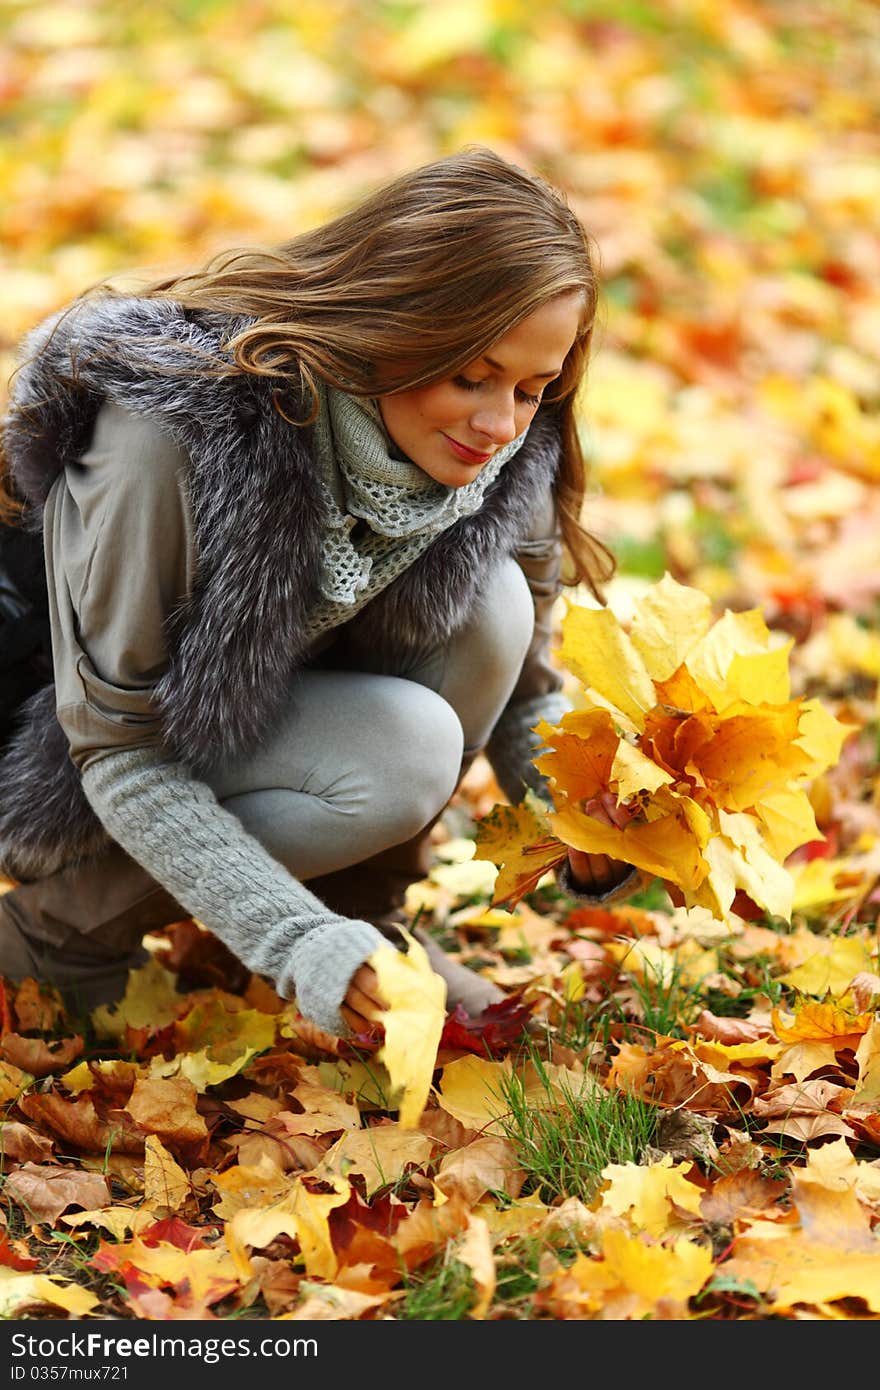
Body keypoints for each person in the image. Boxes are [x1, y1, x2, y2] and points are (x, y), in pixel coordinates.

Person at [0, 145, 638, 1039]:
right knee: (408, 748)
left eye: (534, 389)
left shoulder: (500, 453)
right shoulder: (182, 435)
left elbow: (525, 686)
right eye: (472, 375)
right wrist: (296, 942)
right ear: (393, 323)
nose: (500, 425)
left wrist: (590, 819)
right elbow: (120, 750)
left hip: (245, 719)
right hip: (65, 747)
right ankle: (52, 935)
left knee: (494, 608)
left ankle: (363, 916)